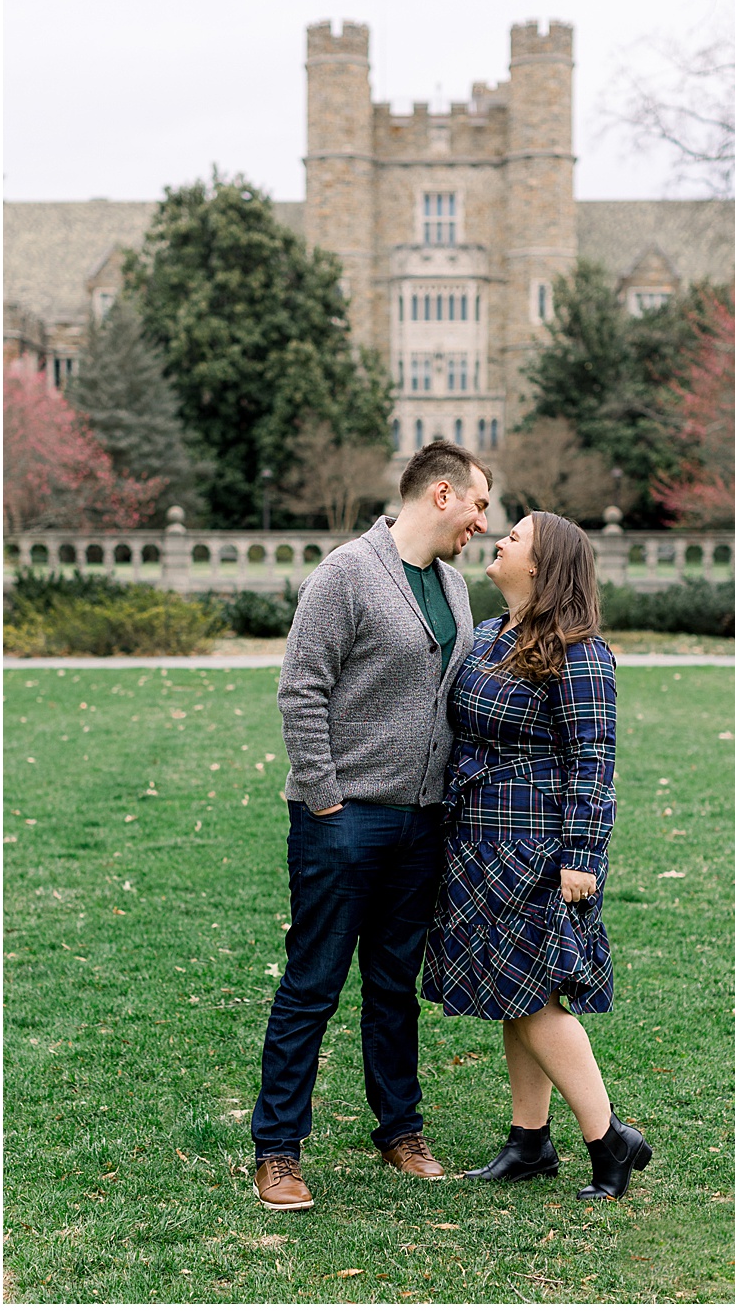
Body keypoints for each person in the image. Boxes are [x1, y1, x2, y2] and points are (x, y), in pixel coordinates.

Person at [252, 441, 491, 1211]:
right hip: (342, 820)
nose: (483, 524)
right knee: (313, 985)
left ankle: (400, 1130)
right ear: (443, 494)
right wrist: (325, 798)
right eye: (480, 505)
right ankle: (278, 1151)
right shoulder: (346, 574)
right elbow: (300, 688)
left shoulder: (454, 588)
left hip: (422, 826)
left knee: (393, 988)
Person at [422, 511, 651, 1201]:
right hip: (478, 841)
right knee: (513, 992)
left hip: (540, 851)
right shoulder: (492, 636)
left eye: (515, 536)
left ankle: (609, 1138)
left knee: (532, 995)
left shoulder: (582, 652)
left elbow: (594, 761)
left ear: (544, 564)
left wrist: (581, 854)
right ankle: (529, 1143)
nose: (500, 540)